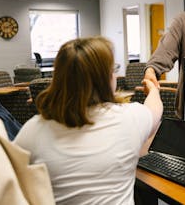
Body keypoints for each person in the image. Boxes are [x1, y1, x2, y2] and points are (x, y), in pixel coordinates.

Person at [14, 36, 163, 205]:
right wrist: (153, 90)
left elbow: (10, 183)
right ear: (105, 78)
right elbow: (155, 109)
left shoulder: (33, 130)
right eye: (112, 70)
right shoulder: (129, 118)